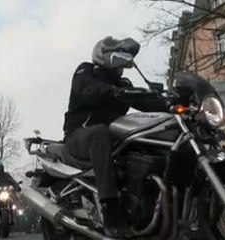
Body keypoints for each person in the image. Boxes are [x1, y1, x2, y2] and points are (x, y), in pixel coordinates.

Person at [63, 36, 168, 238]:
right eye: (120, 58)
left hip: (111, 141)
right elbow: (87, 90)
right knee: (100, 132)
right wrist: (114, 91)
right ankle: (110, 209)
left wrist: (166, 102)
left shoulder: (123, 83)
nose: (123, 65)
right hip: (79, 136)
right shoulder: (86, 70)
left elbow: (147, 105)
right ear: (106, 56)